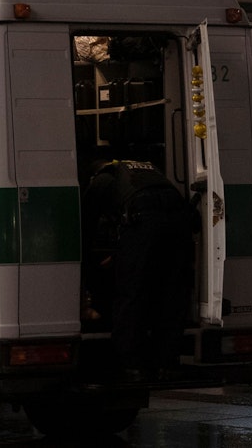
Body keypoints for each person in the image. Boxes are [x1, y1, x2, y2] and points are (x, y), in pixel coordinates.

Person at [82, 156, 193, 380]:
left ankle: (130, 362)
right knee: (172, 292)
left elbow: (85, 224)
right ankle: (167, 362)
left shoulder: (103, 178)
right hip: (180, 221)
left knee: (131, 291)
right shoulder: (148, 171)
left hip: (144, 220)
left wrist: (88, 264)